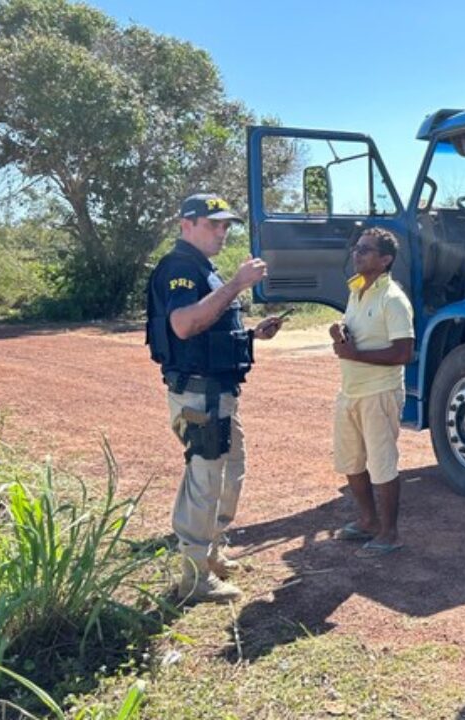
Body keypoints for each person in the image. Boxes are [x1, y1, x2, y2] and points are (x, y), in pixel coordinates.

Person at [145, 192, 287, 603]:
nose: (222, 231)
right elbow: (185, 325)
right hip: (199, 395)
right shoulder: (180, 269)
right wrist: (238, 283)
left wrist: (251, 334)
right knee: (205, 478)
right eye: (213, 224)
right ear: (185, 224)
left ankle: (211, 554)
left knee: (230, 472)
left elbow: (211, 328)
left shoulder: (203, 269)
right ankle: (194, 577)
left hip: (218, 393)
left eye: (226, 225)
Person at [329, 226, 414, 559]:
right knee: (351, 461)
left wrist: (355, 355)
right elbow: (358, 336)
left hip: (379, 393)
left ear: (385, 259)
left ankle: (389, 533)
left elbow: (404, 353)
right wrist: (339, 334)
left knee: (382, 465)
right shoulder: (356, 291)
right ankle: (367, 521)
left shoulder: (393, 299)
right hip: (350, 391)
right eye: (357, 247)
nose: (357, 253)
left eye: (365, 249)